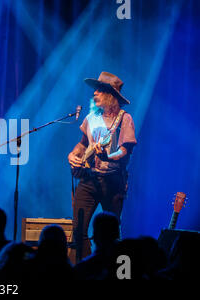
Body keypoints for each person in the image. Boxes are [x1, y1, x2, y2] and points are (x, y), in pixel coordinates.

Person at [68, 72, 137, 259]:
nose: (94, 93)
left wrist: (107, 156)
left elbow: (125, 151)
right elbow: (83, 144)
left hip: (113, 182)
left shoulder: (125, 119)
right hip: (89, 178)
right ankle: (85, 270)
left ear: (110, 95)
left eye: (99, 90)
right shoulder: (91, 117)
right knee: (78, 230)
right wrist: (73, 154)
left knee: (111, 234)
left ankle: (113, 272)